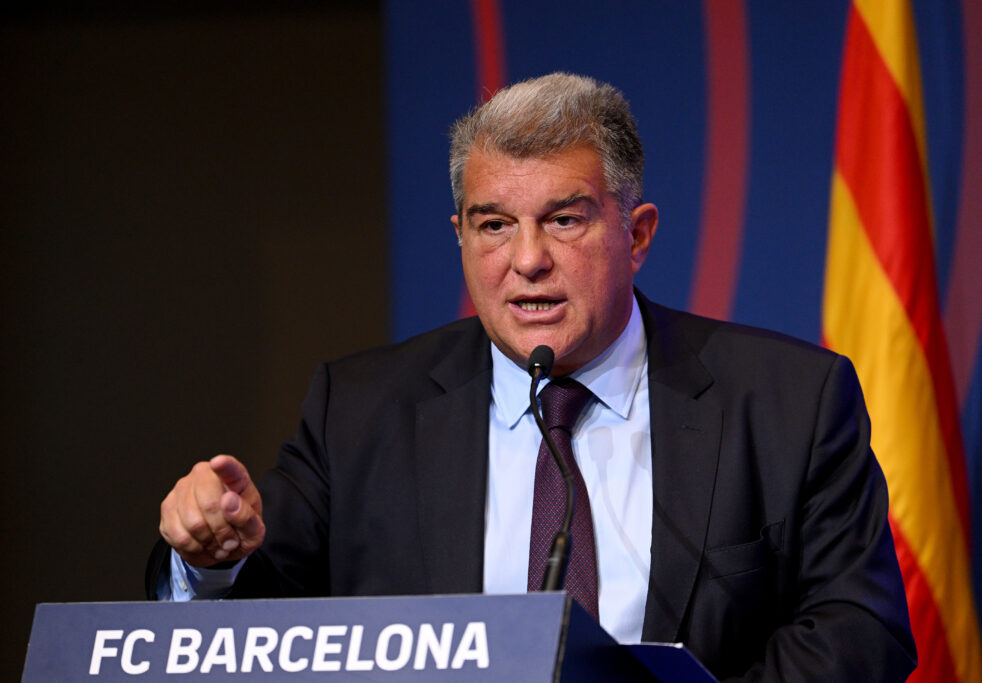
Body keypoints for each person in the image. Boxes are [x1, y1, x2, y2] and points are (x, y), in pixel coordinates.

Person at [148, 72, 916, 681]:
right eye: (493, 224)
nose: (526, 260)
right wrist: (213, 560)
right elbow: (262, 621)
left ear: (637, 234)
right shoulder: (360, 410)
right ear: (459, 235)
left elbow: (860, 629)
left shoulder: (787, 401)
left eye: (565, 218)